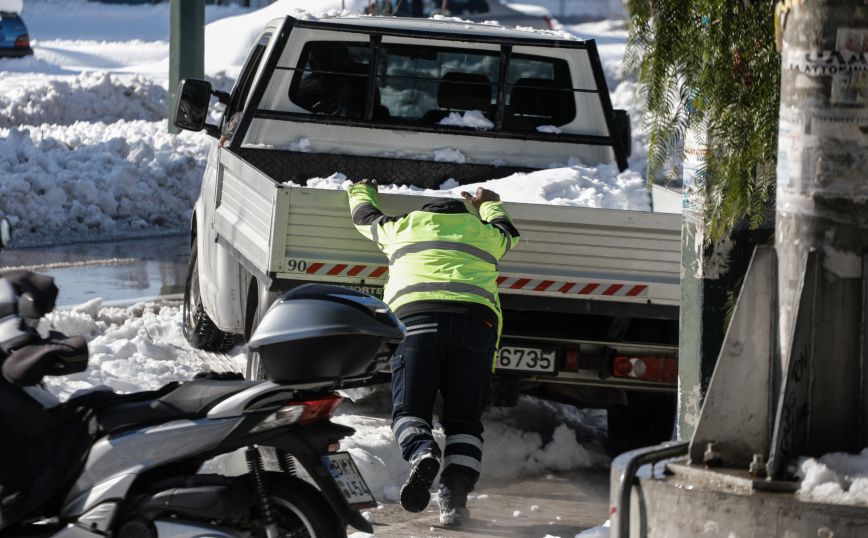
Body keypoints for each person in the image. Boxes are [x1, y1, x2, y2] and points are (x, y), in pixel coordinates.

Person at [346, 178, 520, 525]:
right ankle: (454, 500)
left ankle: (423, 452)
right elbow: (508, 231)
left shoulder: (403, 227)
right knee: (465, 422)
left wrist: (361, 190)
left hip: (418, 321)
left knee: (410, 411)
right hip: (476, 326)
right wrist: (489, 203)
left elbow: (365, 217)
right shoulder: (485, 233)